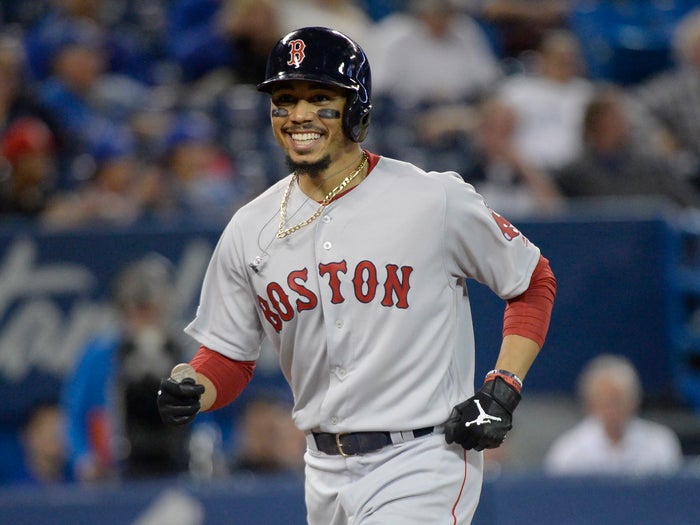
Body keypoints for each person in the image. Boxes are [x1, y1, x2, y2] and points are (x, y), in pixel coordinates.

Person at [157, 27, 556, 524]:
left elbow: (532, 279)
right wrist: (193, 384)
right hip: (322, 471)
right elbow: (228, 358)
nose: (298, 114)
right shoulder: (249, 228)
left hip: (422, 458)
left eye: (319, 97)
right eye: (284, 99)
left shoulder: (431, 199)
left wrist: (502, 387)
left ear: (356, 109)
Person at [63, 254, 194, 483]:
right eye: (136, 310)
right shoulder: (100, 355)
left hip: (177, 468)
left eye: (151, 309)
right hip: (115, 470)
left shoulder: (181, 352)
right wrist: (84, 458)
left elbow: (203, 410)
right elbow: (74, 412)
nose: (144, 319)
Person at [555, 85, 699, 209]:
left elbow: (689, 207)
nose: (623, 123)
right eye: (614, 118)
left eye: (622, 117)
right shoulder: (573, 175)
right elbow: (555, 213)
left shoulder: (654, 169)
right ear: (596, 124)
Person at [543, 354, 683, 476]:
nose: (611, 410)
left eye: (617, 401)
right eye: (603, 402)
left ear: (633, 401)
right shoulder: (569, 451)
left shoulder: (659, 444)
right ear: (590, 404)